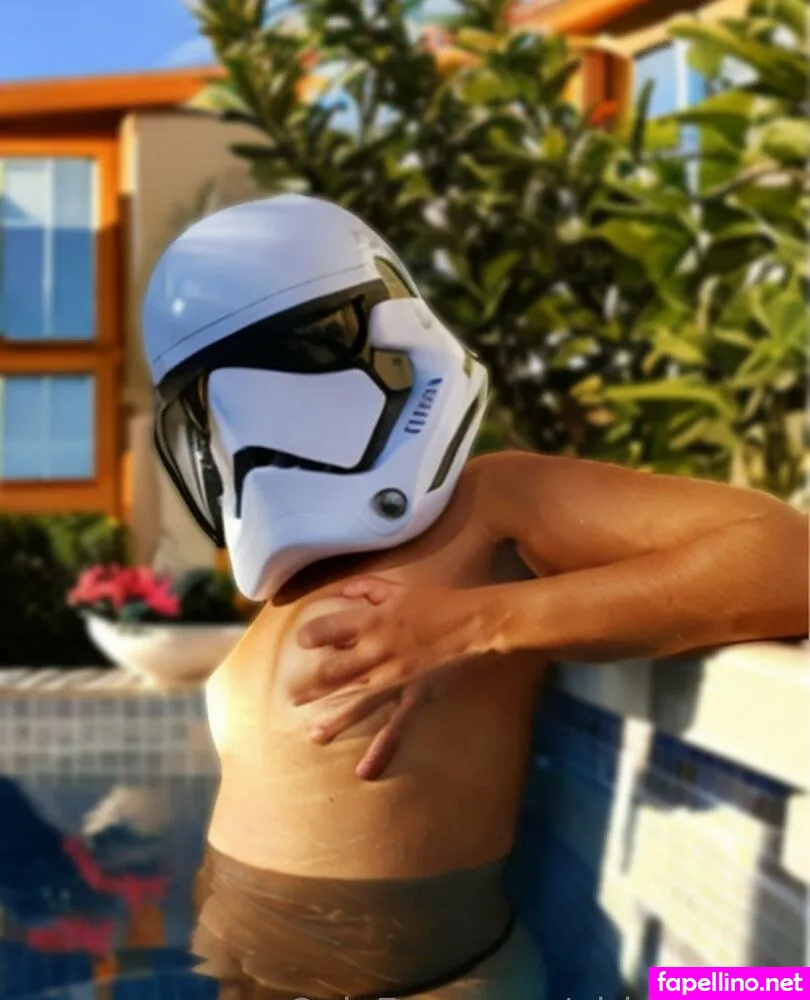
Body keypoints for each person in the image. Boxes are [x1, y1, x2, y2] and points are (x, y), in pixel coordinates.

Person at [142, 194, 808, 1000]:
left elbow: (788, 558)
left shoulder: (491, 500)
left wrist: (473, 625)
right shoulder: (288, 584)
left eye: (281, 361)